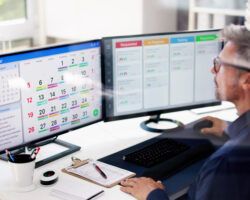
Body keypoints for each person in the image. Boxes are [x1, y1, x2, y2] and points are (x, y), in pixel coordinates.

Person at [120, 24, 250, 200]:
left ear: (246, 81)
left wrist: (153, 194)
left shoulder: (225, 163)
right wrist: (230, 128)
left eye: (219, 64)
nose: (212, 70)